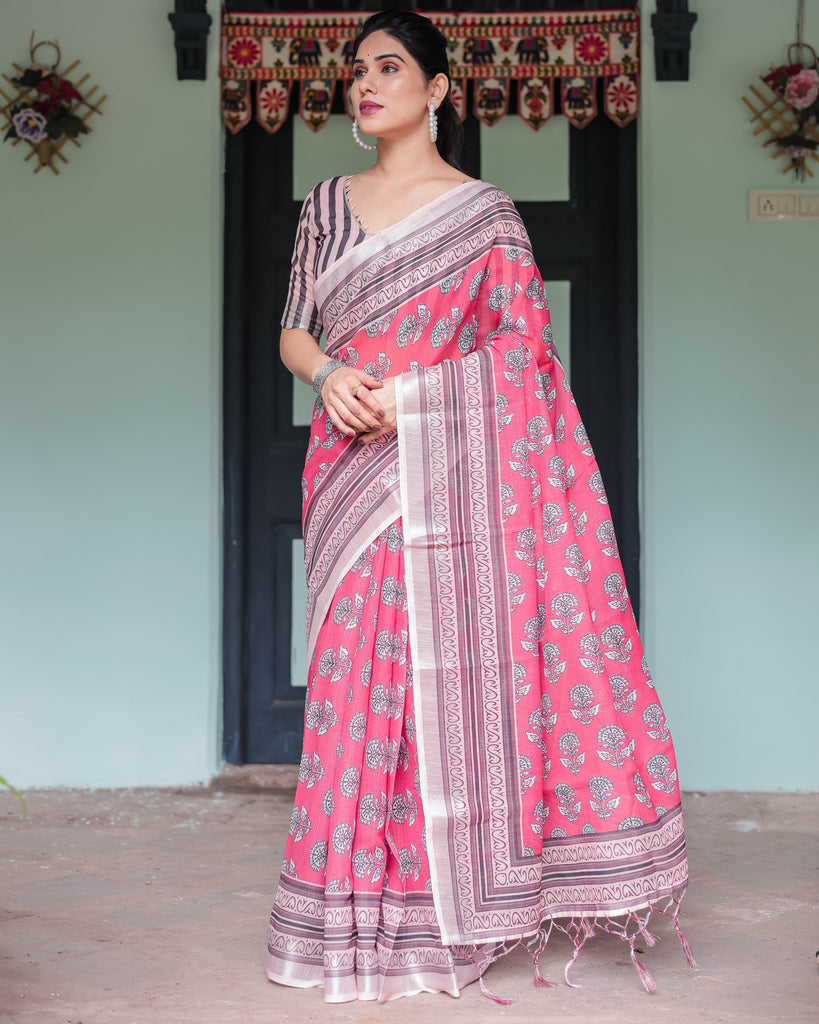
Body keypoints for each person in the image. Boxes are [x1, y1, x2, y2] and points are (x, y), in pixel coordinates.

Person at [266, 9, 693, 1004]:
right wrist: (329, 373)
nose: (366, 85)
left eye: (389, 67)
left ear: (439, 89)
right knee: (352, 686)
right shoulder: (326, 204)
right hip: (349, 475)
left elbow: (521, 358)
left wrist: (411, 400)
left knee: (434, 685)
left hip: (445, 476)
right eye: (357, 70)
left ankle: (439, 912)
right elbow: (293, 331)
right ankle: (343, 913)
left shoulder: (484, 215)